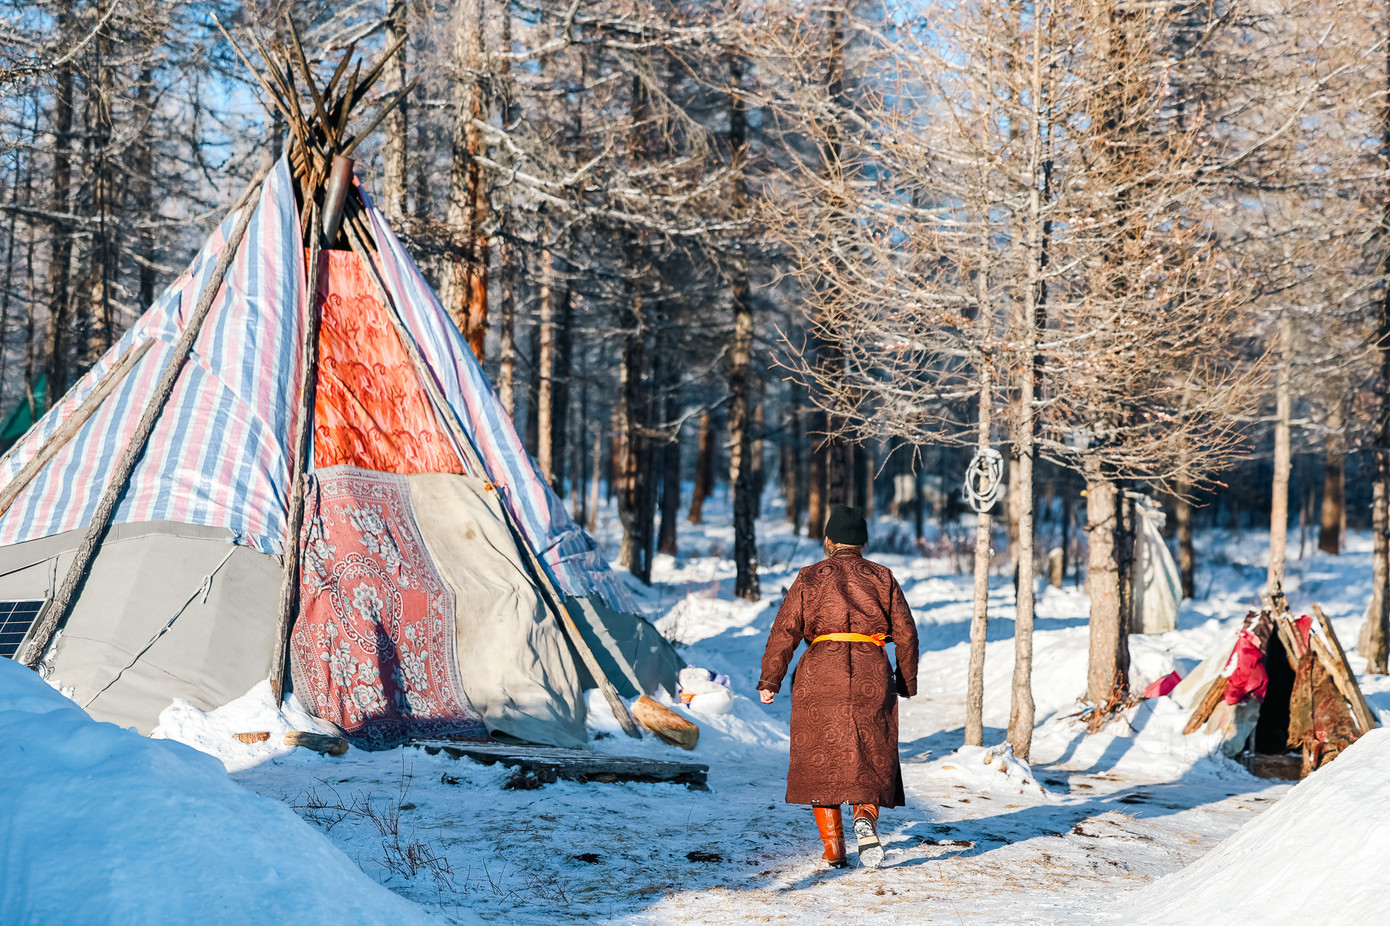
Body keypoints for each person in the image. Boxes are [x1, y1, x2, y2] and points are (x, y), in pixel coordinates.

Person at [757, 504, 919, 870]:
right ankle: (865, 815)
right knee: (871, 750)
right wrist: (905, 681)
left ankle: (833, 849)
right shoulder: (882, 577)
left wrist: (771, 678)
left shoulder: (810, 577)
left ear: (829, 541)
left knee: (820, 758)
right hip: (870, 671)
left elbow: (784, 630)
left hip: (819, 674)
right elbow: (906, 634)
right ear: (862, 542)